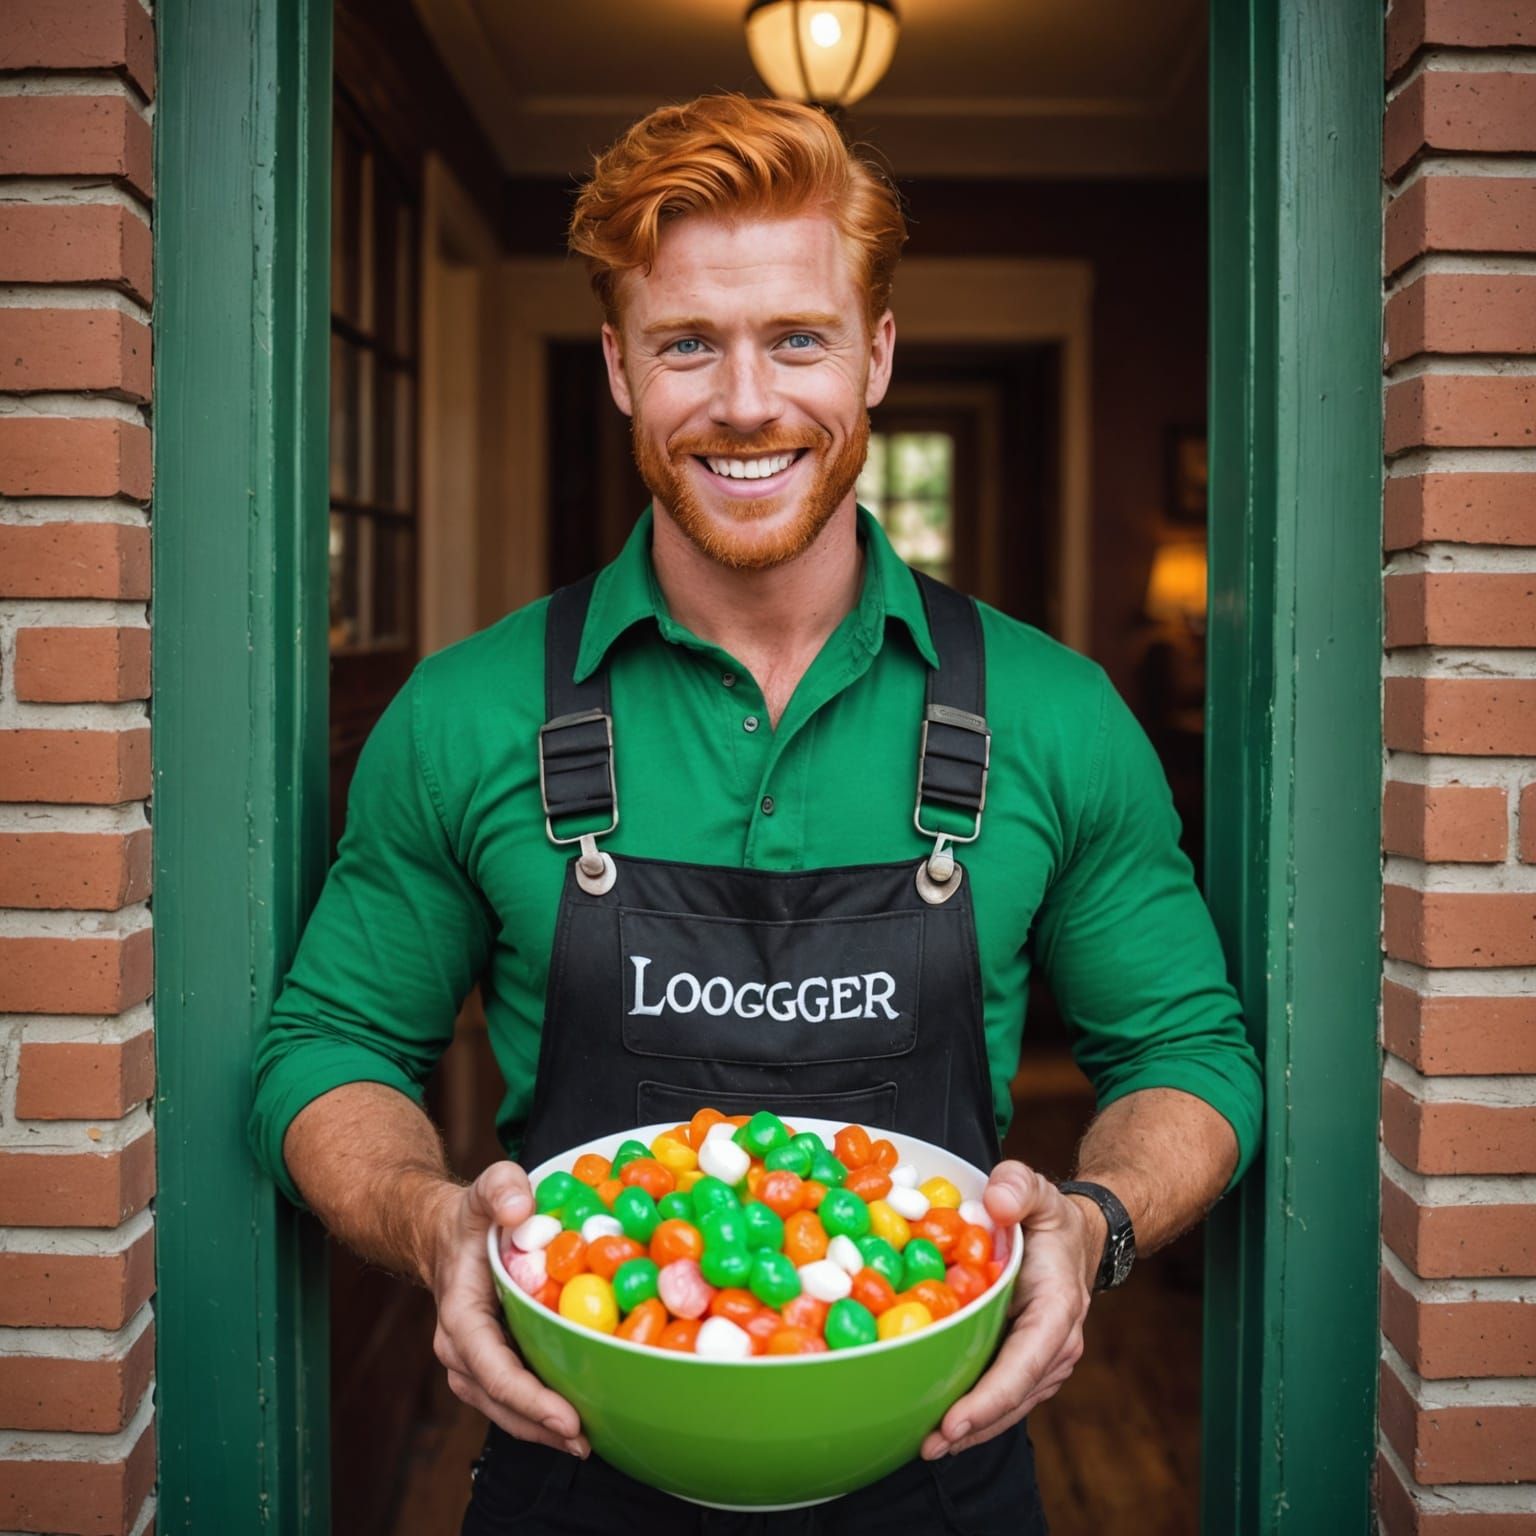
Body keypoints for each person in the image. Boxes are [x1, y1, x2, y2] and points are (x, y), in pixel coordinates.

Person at [249, 93, 1263, 1533]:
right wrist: (433, 1228)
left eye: (798, 338)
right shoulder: (469, 716)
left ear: (878, 354)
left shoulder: (1055, 715)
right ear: (618, 365)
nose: (743, 401)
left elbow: (1192, 1058)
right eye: (686, 344)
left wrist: (1090, 1230)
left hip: (944, 1477)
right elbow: (325, 1050)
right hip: (570, 1470)